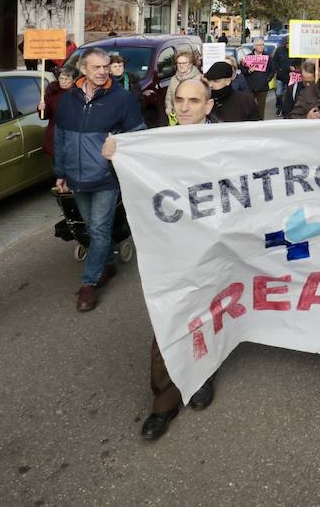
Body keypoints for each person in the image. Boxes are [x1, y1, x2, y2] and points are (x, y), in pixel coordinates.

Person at [103, 79, 216, 439]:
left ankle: (200, 374)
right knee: (168, 314)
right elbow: (134, 183)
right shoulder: (155, 144)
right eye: (179, 100)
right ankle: (164, 400)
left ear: (208, 107)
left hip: (215, 247)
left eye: (193, 101)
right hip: (168, 248)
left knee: (209, 312)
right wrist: (115, 160)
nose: (184, 107)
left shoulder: (228, 142)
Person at [54, 47, 146, 313]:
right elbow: (60, 137)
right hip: (75, 177)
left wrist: (119, 149)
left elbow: (138, 133)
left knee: (99, 229)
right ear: (83, 69)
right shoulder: (68, 99)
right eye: (97, 67)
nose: (103, 71)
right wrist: (60, 172)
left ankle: (89, 283)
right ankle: (107, 265)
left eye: (106, 66)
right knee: (93, 227)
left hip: (106, 176)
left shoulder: (122, 98)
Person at [38, 66, 75, 157]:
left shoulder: (79, 94)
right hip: (55, 136)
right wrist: (42, 109)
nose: (64, 81)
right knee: (57, 168)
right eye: (61, 78)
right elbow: (44, 116)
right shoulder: (52, 93)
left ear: (73, 80)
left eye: (67, 78)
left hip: (72, 138)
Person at [163, 47, 202, 124]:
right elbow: (169, 97)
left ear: (190, 64)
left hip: (193, 118)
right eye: (179, 63)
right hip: (176, 117)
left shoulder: (199, 79)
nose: (181, 66)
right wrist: (169, 107)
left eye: (184, 63)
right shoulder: (173, 79)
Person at [243, 37, 274, 120]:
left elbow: (272, 70)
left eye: (262, 45)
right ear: (255, 46)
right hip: (250, 86)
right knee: (249, 106)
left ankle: (260, 122)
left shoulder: (267, 57)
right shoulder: (248, 57)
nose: (261, 47)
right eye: (259, 45)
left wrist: (267, 79)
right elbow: (243, 70)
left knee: (261, 107)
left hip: (262, 86)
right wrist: (249, 70)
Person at [272, 37, 292, 109]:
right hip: (280, 75)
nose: (288, 44)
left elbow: (298, 61)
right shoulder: (279, 50)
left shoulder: (294, 51)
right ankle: (279, 106)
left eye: (289, 43)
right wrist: (278, 69)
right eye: (287, 43)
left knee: (289, 93)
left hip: (291, 76)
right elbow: (274, 61)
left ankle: (286, 107)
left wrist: (294, 68)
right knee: (279, 93)